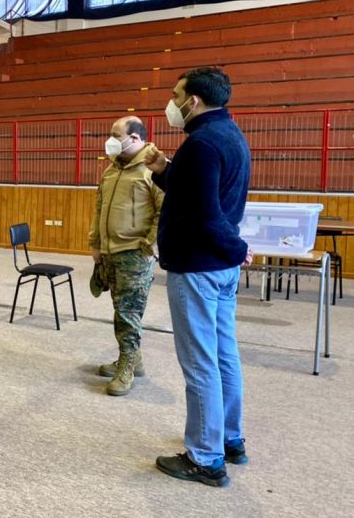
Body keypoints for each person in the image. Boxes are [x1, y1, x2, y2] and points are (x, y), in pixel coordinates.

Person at [144, 67, 253, 487]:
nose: (171, 102)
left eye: (176, 95)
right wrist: (162, 168)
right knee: (224, 353)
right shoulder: (228, 135)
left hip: (199, 267)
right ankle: (229, 438)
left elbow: (205, 214)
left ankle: (205, 458)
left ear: (193, 101)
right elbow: (196, 192)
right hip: (218, 267)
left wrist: (237, 249)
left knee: (199, 362)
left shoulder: (201, 145)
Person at [89, 116, 163, 396]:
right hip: (110, 252)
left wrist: (149, 247)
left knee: (127, 313)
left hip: (135, 254)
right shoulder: (111, 170)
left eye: (115, 134)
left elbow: (164, 212)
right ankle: (133, 358)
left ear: (135, 138)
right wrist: (96, 244)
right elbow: (99, 208)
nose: (109, 139)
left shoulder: (153, 169)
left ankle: (127, 367)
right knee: (120, 308)